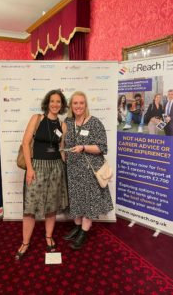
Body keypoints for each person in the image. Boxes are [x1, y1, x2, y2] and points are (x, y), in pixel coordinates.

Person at [15, 89, 68, 260]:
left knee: (51, 205)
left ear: (61, 105)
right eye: (52, 101)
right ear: (47, 103)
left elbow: (61, 149)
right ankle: (25, 242)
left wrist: (68, 164)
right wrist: (30, 169)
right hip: (36, 166)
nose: (55, 104)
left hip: (56, 167)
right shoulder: (36, 119)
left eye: (58, 102)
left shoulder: (63, 125)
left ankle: (48, 236)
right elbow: (25, 143)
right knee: (30, 207)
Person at [63, 91, 114, 250]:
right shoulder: (68, 122)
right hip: (73, 170)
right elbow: (63, 141)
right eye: (75, 103)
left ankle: (83, 233)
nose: (78, 106)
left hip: (90, 171)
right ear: (71, 105)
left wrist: (84, 147)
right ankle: (78, 228)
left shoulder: (95, 123)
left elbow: (102, 148)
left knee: (89, 202)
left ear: (86, 105)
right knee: (76, 200)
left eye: (81, 103)